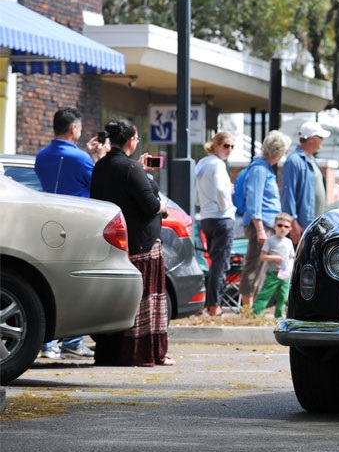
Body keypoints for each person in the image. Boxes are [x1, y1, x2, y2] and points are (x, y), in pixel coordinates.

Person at [89, 119, 174, 367]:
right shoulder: (130, 169)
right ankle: (145, 353)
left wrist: (139, 170)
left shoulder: (101, 166)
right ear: (130, 141)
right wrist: (163, 206)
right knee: (146, 301)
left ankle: (111, 353)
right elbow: (149, 205)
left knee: (115, 301)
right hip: (141, 245)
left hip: (113, 242)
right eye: (136, 138)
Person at [34, 106, 108, 360]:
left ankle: (48, 342)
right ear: (74, 128)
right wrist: (97, 156)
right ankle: (73, 339)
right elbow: (97, 185)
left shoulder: (41, 156)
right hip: (77, 225)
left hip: (47, 224)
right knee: (76, 284)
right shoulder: (81, 159)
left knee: (50, 282)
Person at [239, 130, 291, 311]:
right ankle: (247, 309)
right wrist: (259, 228)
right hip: (261, 226)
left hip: (268, 224)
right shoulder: (259, 170)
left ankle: (254, 309)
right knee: (254, 265)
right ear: (277, 151)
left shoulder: (264, 168)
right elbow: (254, 201)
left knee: (262, 267)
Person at [195, 131, 236, 317]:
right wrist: (226, 204)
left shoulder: (202, 163)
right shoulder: (218, 164)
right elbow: (220, 188)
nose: (229, 150)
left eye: (232, 146)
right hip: (221, 217)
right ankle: (214, 306)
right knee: (219, 265)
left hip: (206, 217)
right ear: (216, 145)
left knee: (213, 264)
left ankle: (207, 303)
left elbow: (198, 191)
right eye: (226, 145)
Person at [281, 120, 330, 241]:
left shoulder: (312, 160)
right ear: (312, 139)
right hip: (303, 226)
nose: (323, 140)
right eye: (321, 137)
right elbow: (288, 193)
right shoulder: (294, 161)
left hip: (315, 225)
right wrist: (293, 223)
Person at [252, 212, 295, 318]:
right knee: (265, 294)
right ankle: (255, 313)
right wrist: (275, 258)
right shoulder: (270, 240)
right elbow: (263, 257)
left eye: (286, 226)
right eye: (280, 225)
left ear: (290, 229)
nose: (282, 228)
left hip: (285, 274)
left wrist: (290, 268)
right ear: (274, 226)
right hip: (273, 273)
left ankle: (279, 316)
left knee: (283, 296)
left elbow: (291, 257)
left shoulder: (289, 242)